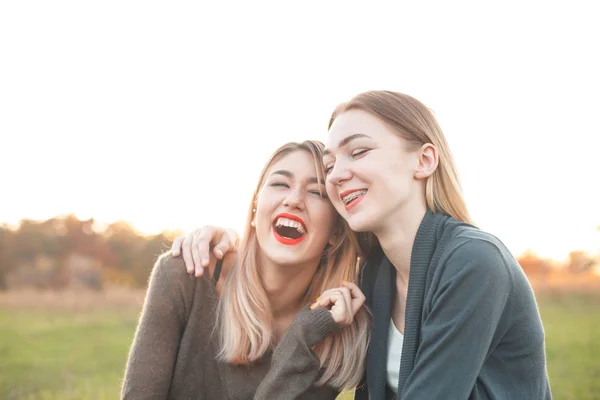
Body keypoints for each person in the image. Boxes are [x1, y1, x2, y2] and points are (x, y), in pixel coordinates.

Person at [171, 90, 552, 399]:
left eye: (359, 152)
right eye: (332, 163)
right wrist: (232, 241)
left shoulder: (473, 262)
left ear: (424, 160)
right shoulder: (376, 274)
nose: (338, 174)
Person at [121, 140, 371, 399]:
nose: (293, 200)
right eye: (280, 184)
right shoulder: (184, 274)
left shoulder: (331, 329)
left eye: (317, 192)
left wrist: (302, 339)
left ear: (336, 231)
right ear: (254, 208)